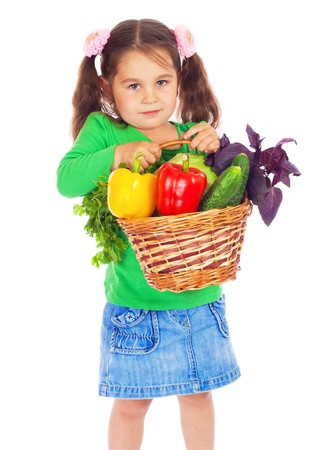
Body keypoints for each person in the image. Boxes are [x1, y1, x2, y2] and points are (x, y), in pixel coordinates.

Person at [57, 18, 240, 450]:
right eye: (133, 86)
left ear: (180, 80)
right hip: (135, 305)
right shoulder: (106, 132)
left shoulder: (185, 137)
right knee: (131, 405)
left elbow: (213, 202)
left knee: (198, 395)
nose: (151, 96)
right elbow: (67, 179)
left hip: (197, 298)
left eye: (162, 81)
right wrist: (118, 154)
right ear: (107, 89)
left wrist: (215, 146)